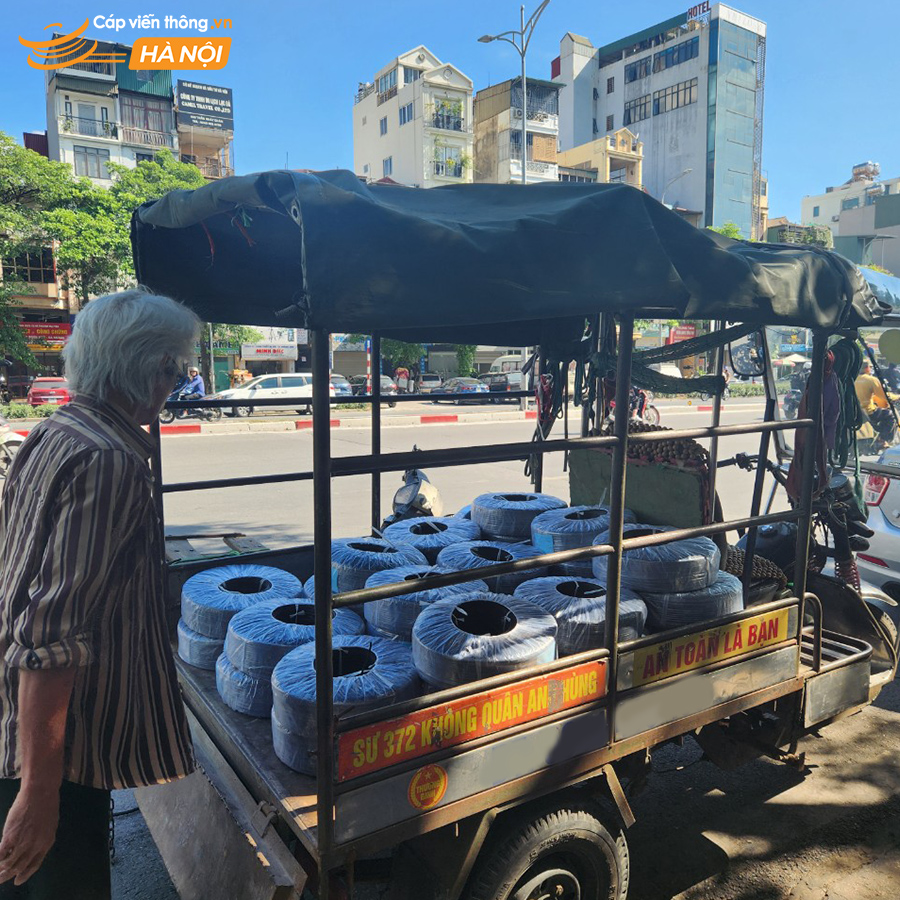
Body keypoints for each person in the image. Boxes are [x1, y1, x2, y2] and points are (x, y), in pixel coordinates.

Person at [0, 290, 199, 898]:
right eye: (177, 368)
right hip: (60, 747)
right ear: (147, 369)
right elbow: (51, 639)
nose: (178, 383)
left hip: (18, 724)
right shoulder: (110, 460)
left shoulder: (56, 429)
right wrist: (41, 791)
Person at [855, 359, 894, 449]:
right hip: (869, 412)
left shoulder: (852, 378)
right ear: (867, 368)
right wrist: (897, 396)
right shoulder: (871, 380)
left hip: (856, 412)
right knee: (890, 416)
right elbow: (885, 396)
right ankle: (882, 440)